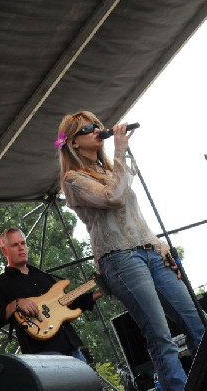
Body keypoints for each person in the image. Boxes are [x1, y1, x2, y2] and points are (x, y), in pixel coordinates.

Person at [56, 111, 205, 391]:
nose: (97, 130)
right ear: (73, 143)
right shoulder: (73, 179)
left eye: (97, 125)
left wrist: (162, 247)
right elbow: (113, 197)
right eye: (87, 128)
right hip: (121, 259)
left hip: (150, 251)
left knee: (196, 322)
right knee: (160, 335)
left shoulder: (112, 170)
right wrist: (120, 151)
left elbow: (136, 219)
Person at [0, 227, 102, 361]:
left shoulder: (43, 276)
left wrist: (97, 293)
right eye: (15, 245)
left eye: (23, 243)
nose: (21, 248)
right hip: (44, 353)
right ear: (4, 250)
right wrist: (15, 304)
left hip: (72, 347)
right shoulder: (1, 284)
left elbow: (67, 304)